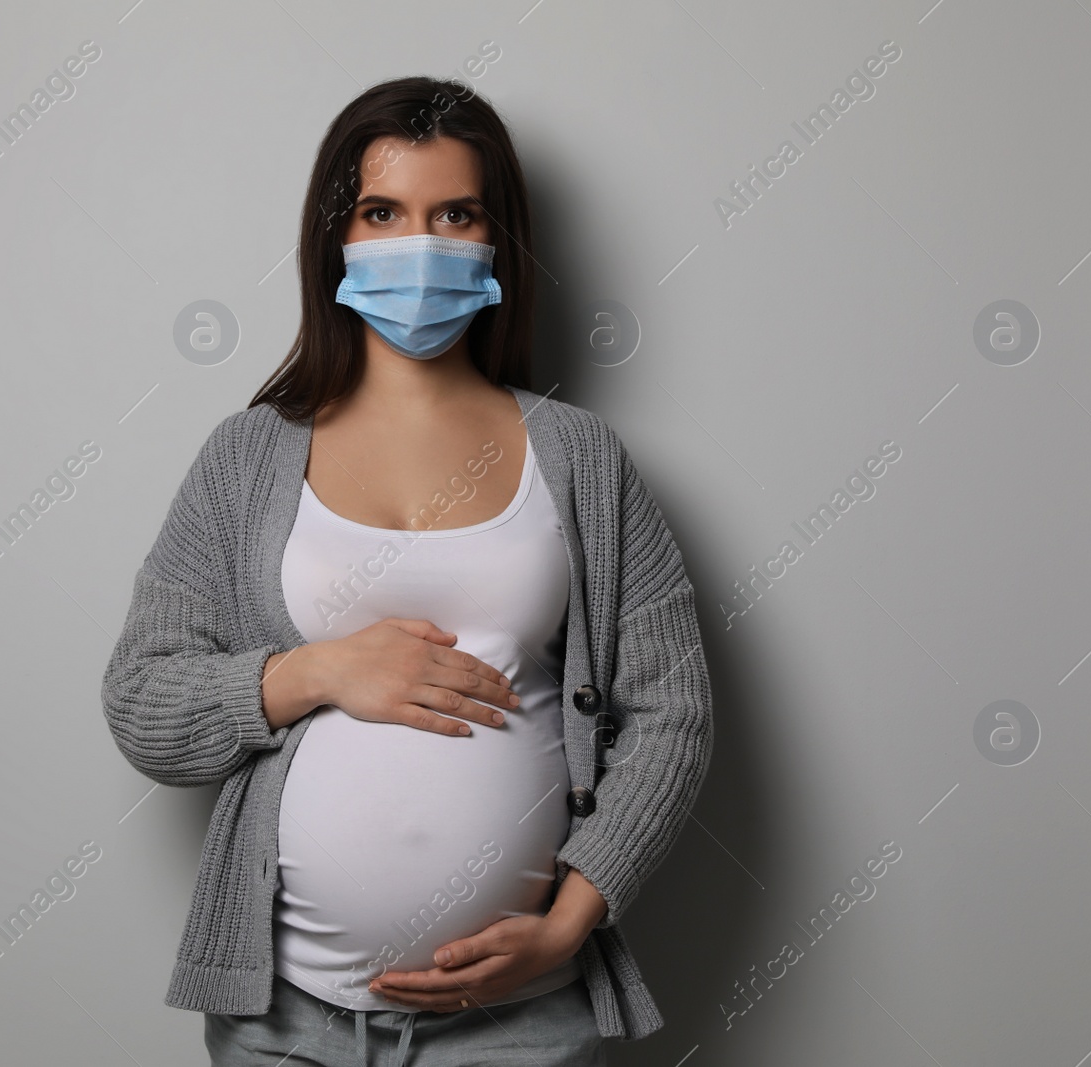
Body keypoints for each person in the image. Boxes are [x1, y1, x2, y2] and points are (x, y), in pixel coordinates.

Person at [101, 75, 714, 1066]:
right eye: (381, 212)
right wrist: (314, 671)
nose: (417, 245)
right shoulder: (245, 456)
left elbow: (671, 709)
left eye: (454, 214)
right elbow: (140, 699)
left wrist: (568, 922)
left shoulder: (578, 455)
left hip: (523, 1023)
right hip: (283, 1024)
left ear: (496, 240)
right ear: (333, 237)